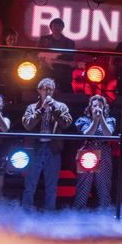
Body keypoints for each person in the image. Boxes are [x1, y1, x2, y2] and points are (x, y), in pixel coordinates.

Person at [21, 77, 72, 210]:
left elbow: (66, 123)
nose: (48, 92)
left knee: (52, 186)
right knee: (30, 184)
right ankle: (26, 213)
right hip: (35, 149)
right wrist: (42, 110)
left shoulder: (60, 106)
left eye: (51, 89)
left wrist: (54, 108)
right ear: (39, 90)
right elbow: (28, 125)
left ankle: (49, 214)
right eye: (45, 89)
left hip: (53, 149)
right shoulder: (32, 107)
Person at [73, 94, 115, 209]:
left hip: (104, 152)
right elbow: (87, 134)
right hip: (87, 152)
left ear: (104, 108)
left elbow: (109, 135)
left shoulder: (110, 120)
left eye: (100, 106)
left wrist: (101, 118)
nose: (97, 108)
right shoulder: (83, 120)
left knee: (104, 186)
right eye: (95, 105)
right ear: (90, 107)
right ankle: (79, 213)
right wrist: (95, 121)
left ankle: (104, 214)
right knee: (84, 186)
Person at [38, 18, 76, 93]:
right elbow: (40, 55)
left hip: (63, 71)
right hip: (47, 69)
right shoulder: (44, 39)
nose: (56, 28)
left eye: (59, 26)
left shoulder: (69, 42)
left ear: (62, 28)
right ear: (51, 27)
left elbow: (70, 59)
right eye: (54, 25)